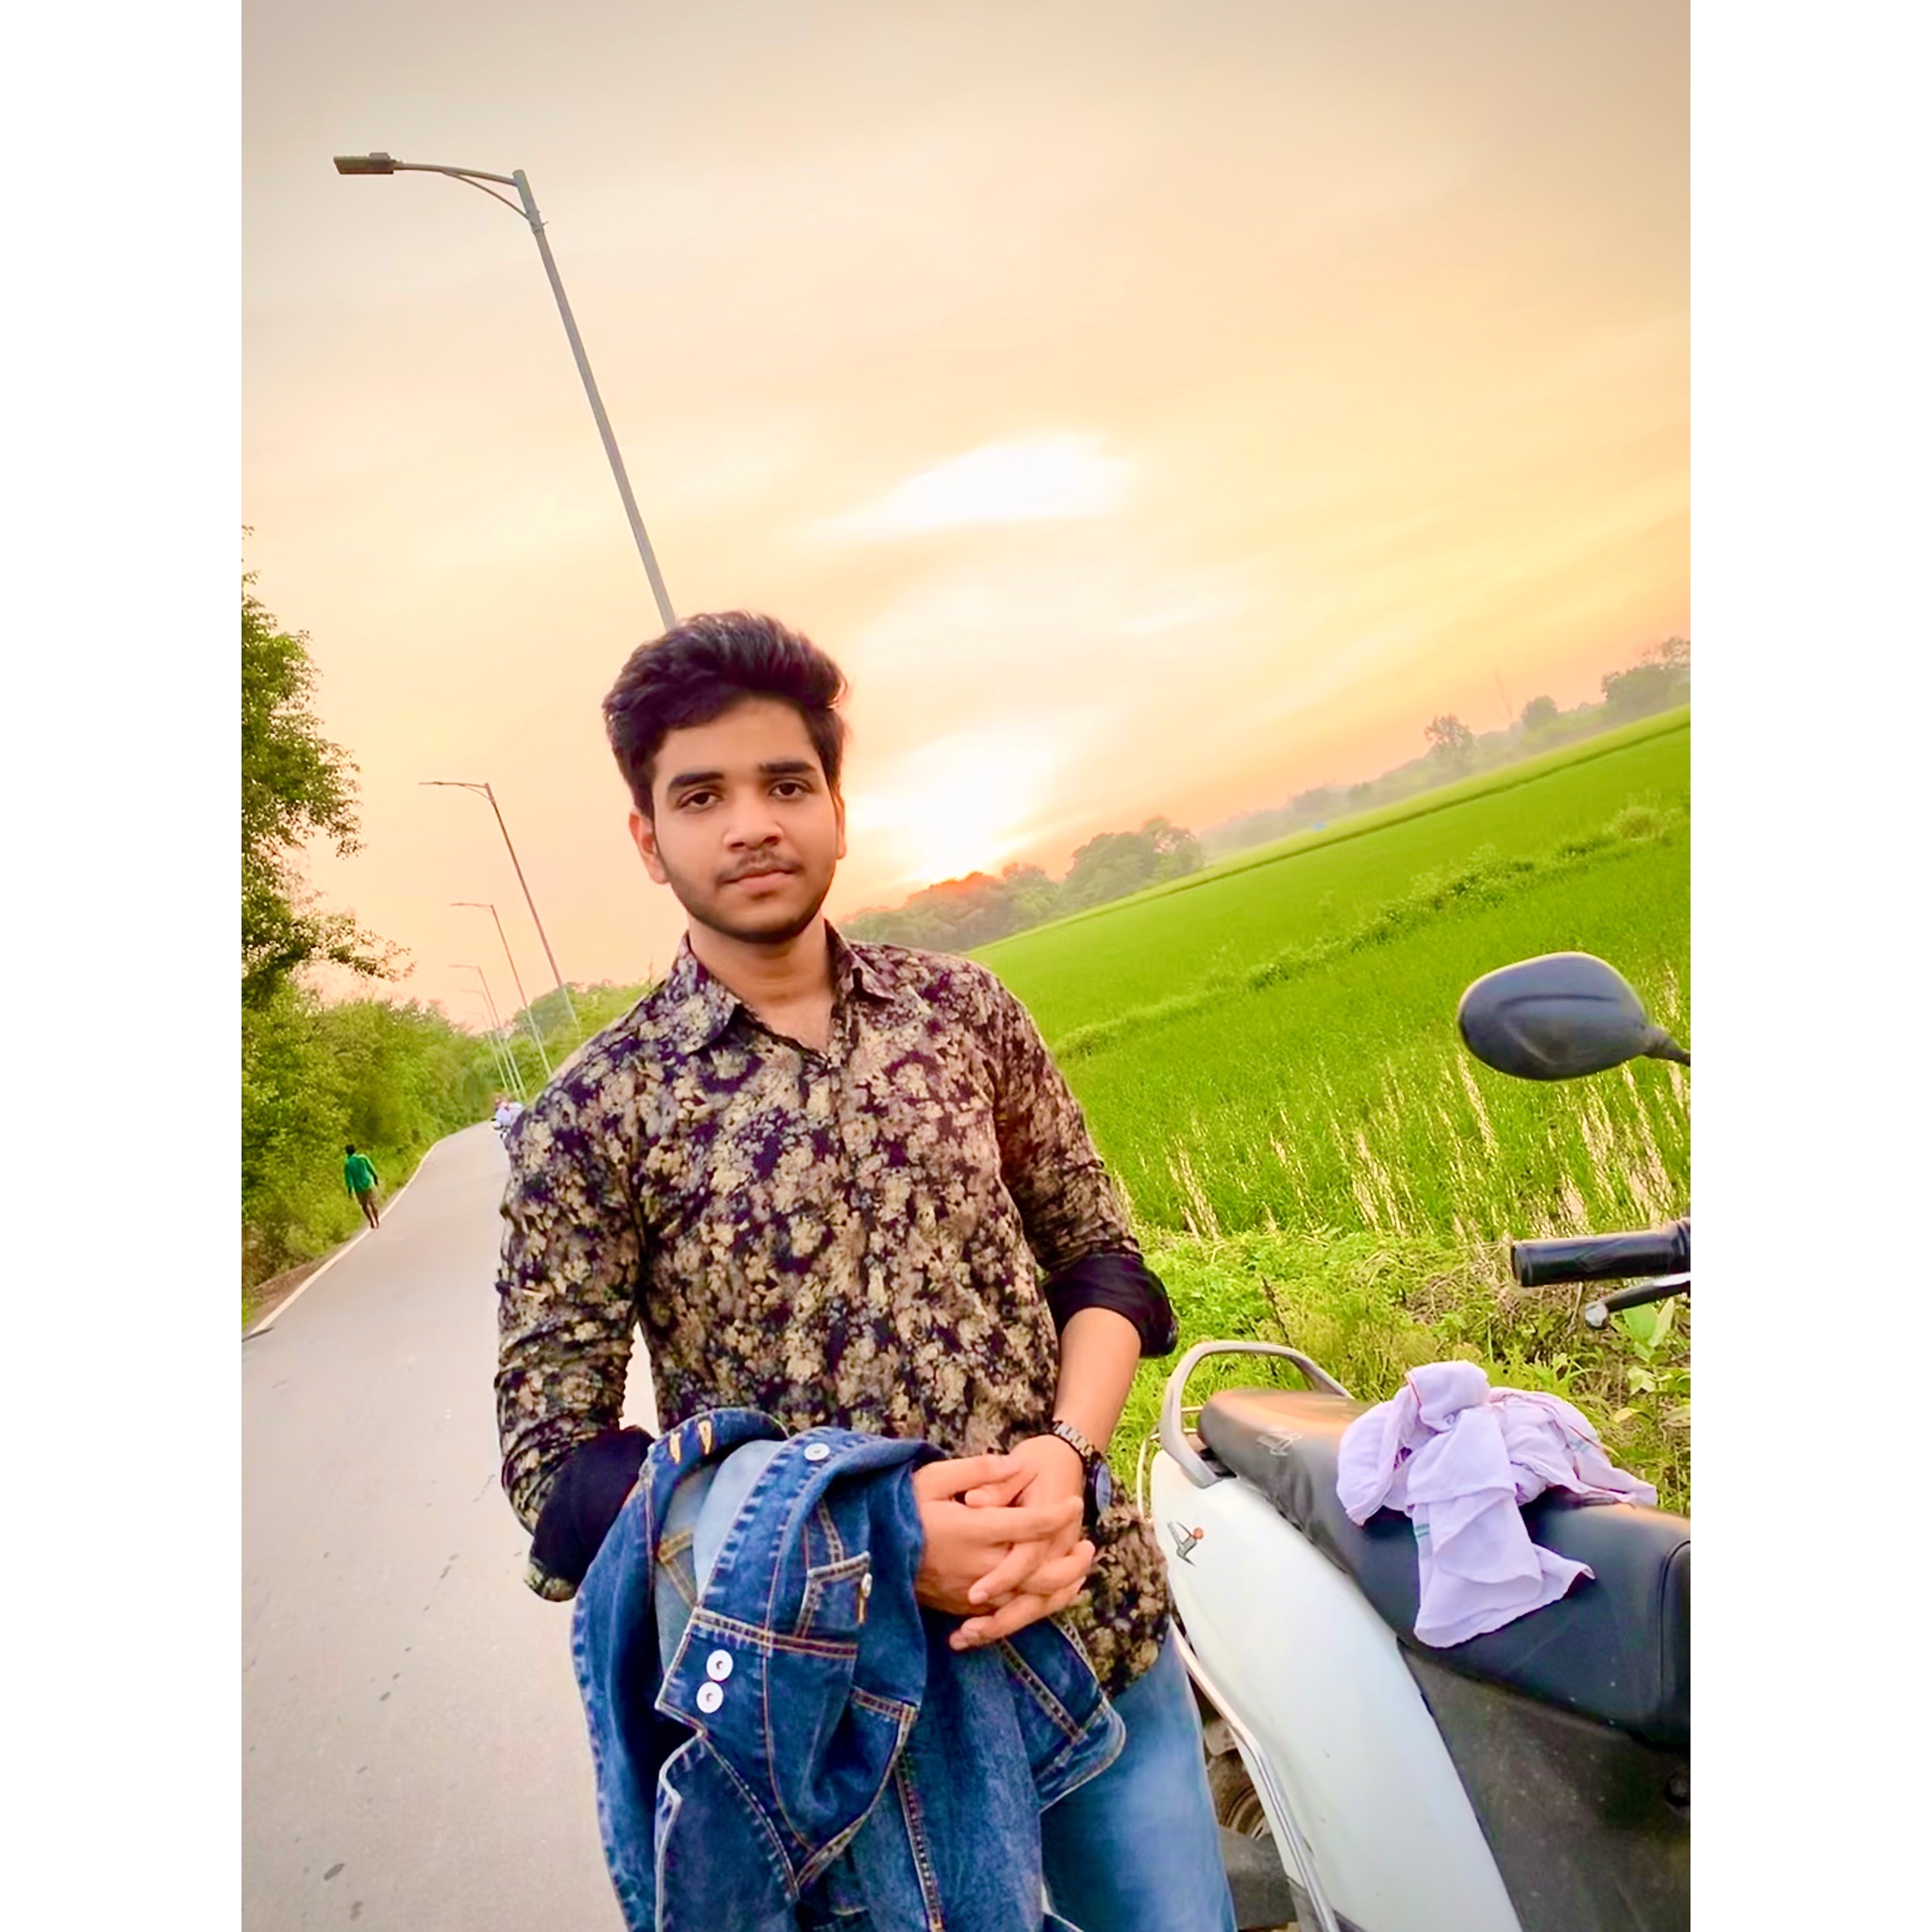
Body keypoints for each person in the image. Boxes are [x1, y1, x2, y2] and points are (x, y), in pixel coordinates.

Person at [494, 611, 1237, 1932]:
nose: (751, 825)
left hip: (1086, 1608)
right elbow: (556, 1472)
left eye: (785, 784)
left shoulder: (965, 1013)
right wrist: (878, 1543)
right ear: (647, 837)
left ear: (836, 808)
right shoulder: (595, 1114)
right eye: (701, 796)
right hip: (843, 1714)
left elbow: (1102, 1263)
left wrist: (1065, 1455)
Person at [342, 1144, 380, 1229]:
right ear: (355, 1150)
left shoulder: (348, 1164)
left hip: (358, 1188)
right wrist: (375, 1177)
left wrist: (350, 1190)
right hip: (369, 1184)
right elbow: (370, 1168)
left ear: (347, 1152)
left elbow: (348, 1179)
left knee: (364, 1205)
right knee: (373, 1203)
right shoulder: (362, 1158)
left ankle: (371, 1221)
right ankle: (377, 1220)